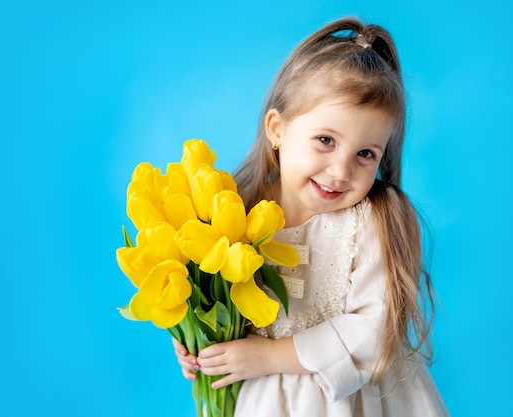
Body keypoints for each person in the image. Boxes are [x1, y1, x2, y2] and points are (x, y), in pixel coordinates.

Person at [173, 17, 449, 416]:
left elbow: (374, 332)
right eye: (325, 140)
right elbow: (208, 297)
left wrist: (267, 358)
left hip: (363, 402)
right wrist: (195, 344)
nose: (340, 171)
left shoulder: (376, 219)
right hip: (268, 403)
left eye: (365, 154)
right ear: (277, 130)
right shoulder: (230, 212)